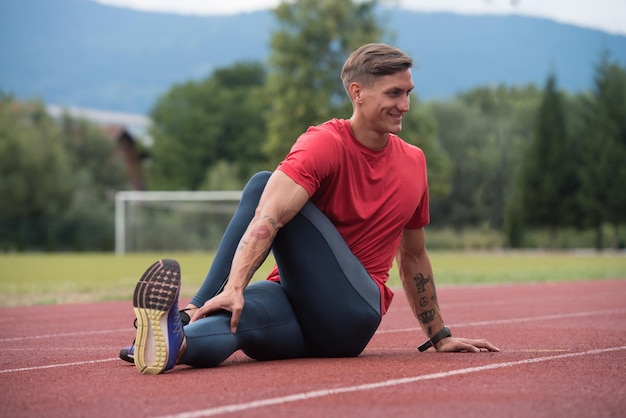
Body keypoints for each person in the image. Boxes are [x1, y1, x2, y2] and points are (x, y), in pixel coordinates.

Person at [122, 43, 500, 375]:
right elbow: (268, 218)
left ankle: (192, 307)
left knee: (261, 186)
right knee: (234, 319)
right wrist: (235, 291)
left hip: (352, 311)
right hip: (297, 304)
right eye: (394, 93)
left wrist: (440, 335)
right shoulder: (324, 143)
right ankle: (174, 344)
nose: (405, 105)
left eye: (408, 92)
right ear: (358, 93)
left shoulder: (414, 162)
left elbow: (413, 256)